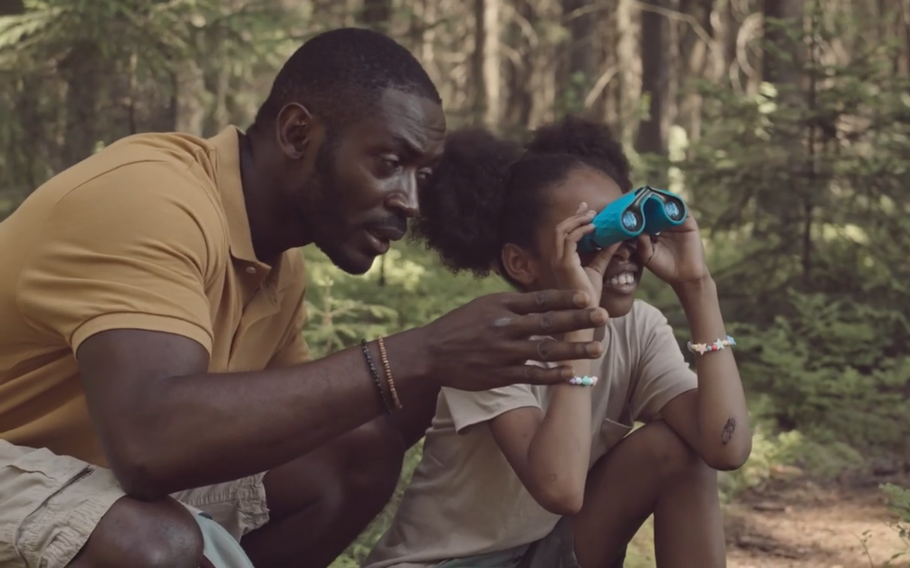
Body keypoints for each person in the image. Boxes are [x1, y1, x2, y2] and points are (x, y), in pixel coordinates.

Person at [0, 29, 611, 568]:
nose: (410, 201)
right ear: (298, 133)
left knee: (356, 454)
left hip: (84, 467)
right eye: (390, 162)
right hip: (23, 458)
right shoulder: (151, 199)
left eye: (420, 175)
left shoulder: (278, 266)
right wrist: (421, 353)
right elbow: (149, 444)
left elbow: (278, 430)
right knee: (149, 546)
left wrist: (436, 377)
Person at [364, 116, 752, 568]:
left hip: (541, 555)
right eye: (591, 238)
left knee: (680, 449)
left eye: (626, 226)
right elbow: (560, 488)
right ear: (522, 264)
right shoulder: (493, 338)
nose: (621, 249)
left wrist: (698, 286)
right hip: (445, 563)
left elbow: (726, 447)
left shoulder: (639, 328)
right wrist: (580, 326)